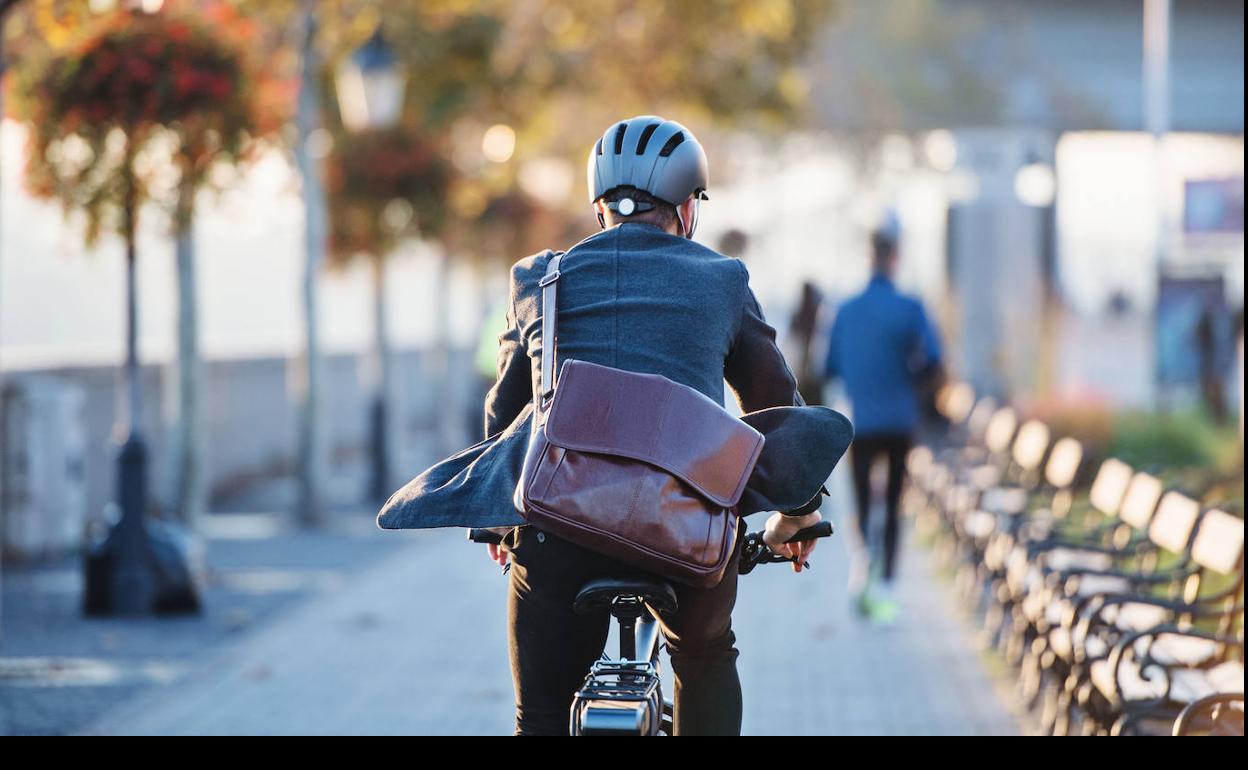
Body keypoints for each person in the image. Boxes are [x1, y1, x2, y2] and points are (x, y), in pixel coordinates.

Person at [482, 117, 823, 735]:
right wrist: (795, 515)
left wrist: (498, 521)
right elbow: (777, 410)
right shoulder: (722, 280)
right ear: (688, 209)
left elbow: (505, 416)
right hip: (685, 528)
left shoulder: (539, 278)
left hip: (560, 528)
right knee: (704, 653)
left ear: (598, 211)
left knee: (540, 714)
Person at [824, 216, 942, 624]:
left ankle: (861, 567)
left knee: (858, 500)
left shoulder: (845, 311)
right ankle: (888, 585)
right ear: (896, 258)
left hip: (860, 421)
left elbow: (831, 367)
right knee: (892, 503)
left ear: (869, 257)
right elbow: (933, 360)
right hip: (900, 419)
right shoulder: (911, 308)